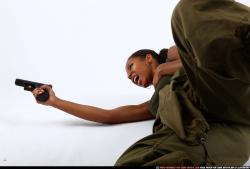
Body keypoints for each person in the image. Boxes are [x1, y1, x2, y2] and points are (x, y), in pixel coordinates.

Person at [32, 0, 250, 166]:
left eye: (131, 67)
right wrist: (55, 101)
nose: (129, 76)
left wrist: (167, 67)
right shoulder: (156, 102)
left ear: (148, 58)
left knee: (185, 10)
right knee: (133, 160)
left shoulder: (171, 55)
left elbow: (200, 56)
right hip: (223, 128)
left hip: (227, 93)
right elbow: (108, 116)